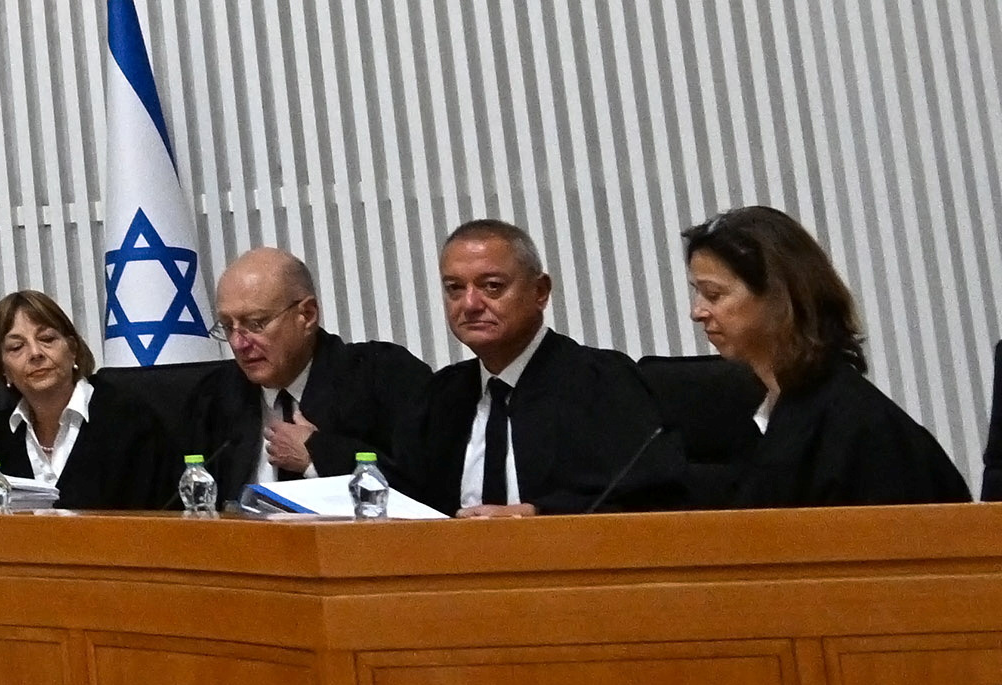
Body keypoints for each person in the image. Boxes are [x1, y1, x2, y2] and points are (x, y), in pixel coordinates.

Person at [681, 208, 970, 507]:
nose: (697, 312)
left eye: (713, 294)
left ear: (780, 297)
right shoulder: (760, 419)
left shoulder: (859, 429)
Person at [389, 222, 682, 516]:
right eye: (454, 288)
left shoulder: (603, 380)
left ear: (540, 291)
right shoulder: (438, 397)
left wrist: (537, 513)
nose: (470, 304)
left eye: (492, 286)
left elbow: (652, 490)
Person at [186, 248, 432, 495]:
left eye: (256, 323)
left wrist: (318, 455)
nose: (239, 343)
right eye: (228, 327)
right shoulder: (214, 399)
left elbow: (426, 488)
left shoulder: (383, 377)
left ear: (307, 315)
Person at [0, 292, 177, 511]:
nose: (35, 353)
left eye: (47, 339)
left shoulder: (131, 422)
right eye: (17, 347)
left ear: (72, 349)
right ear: (3, 369)